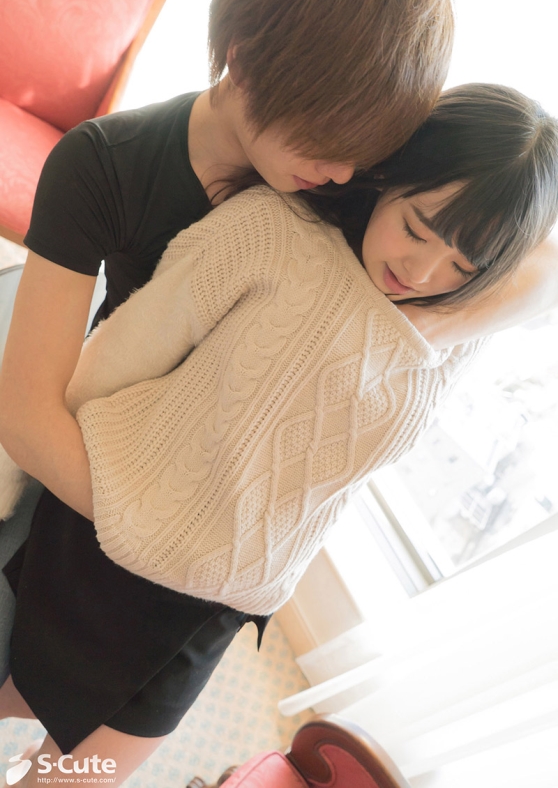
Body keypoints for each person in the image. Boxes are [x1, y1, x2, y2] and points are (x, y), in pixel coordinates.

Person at [1, 83, 558, 788]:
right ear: (390, 173)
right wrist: (16, 483)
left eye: (464, 265)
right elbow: (116, 358)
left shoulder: (454, 331)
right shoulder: (271, 231)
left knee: (68, 781)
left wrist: (430, 315)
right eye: (416, 228)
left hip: (208, 614)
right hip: (99, 539)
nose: (421, 273)